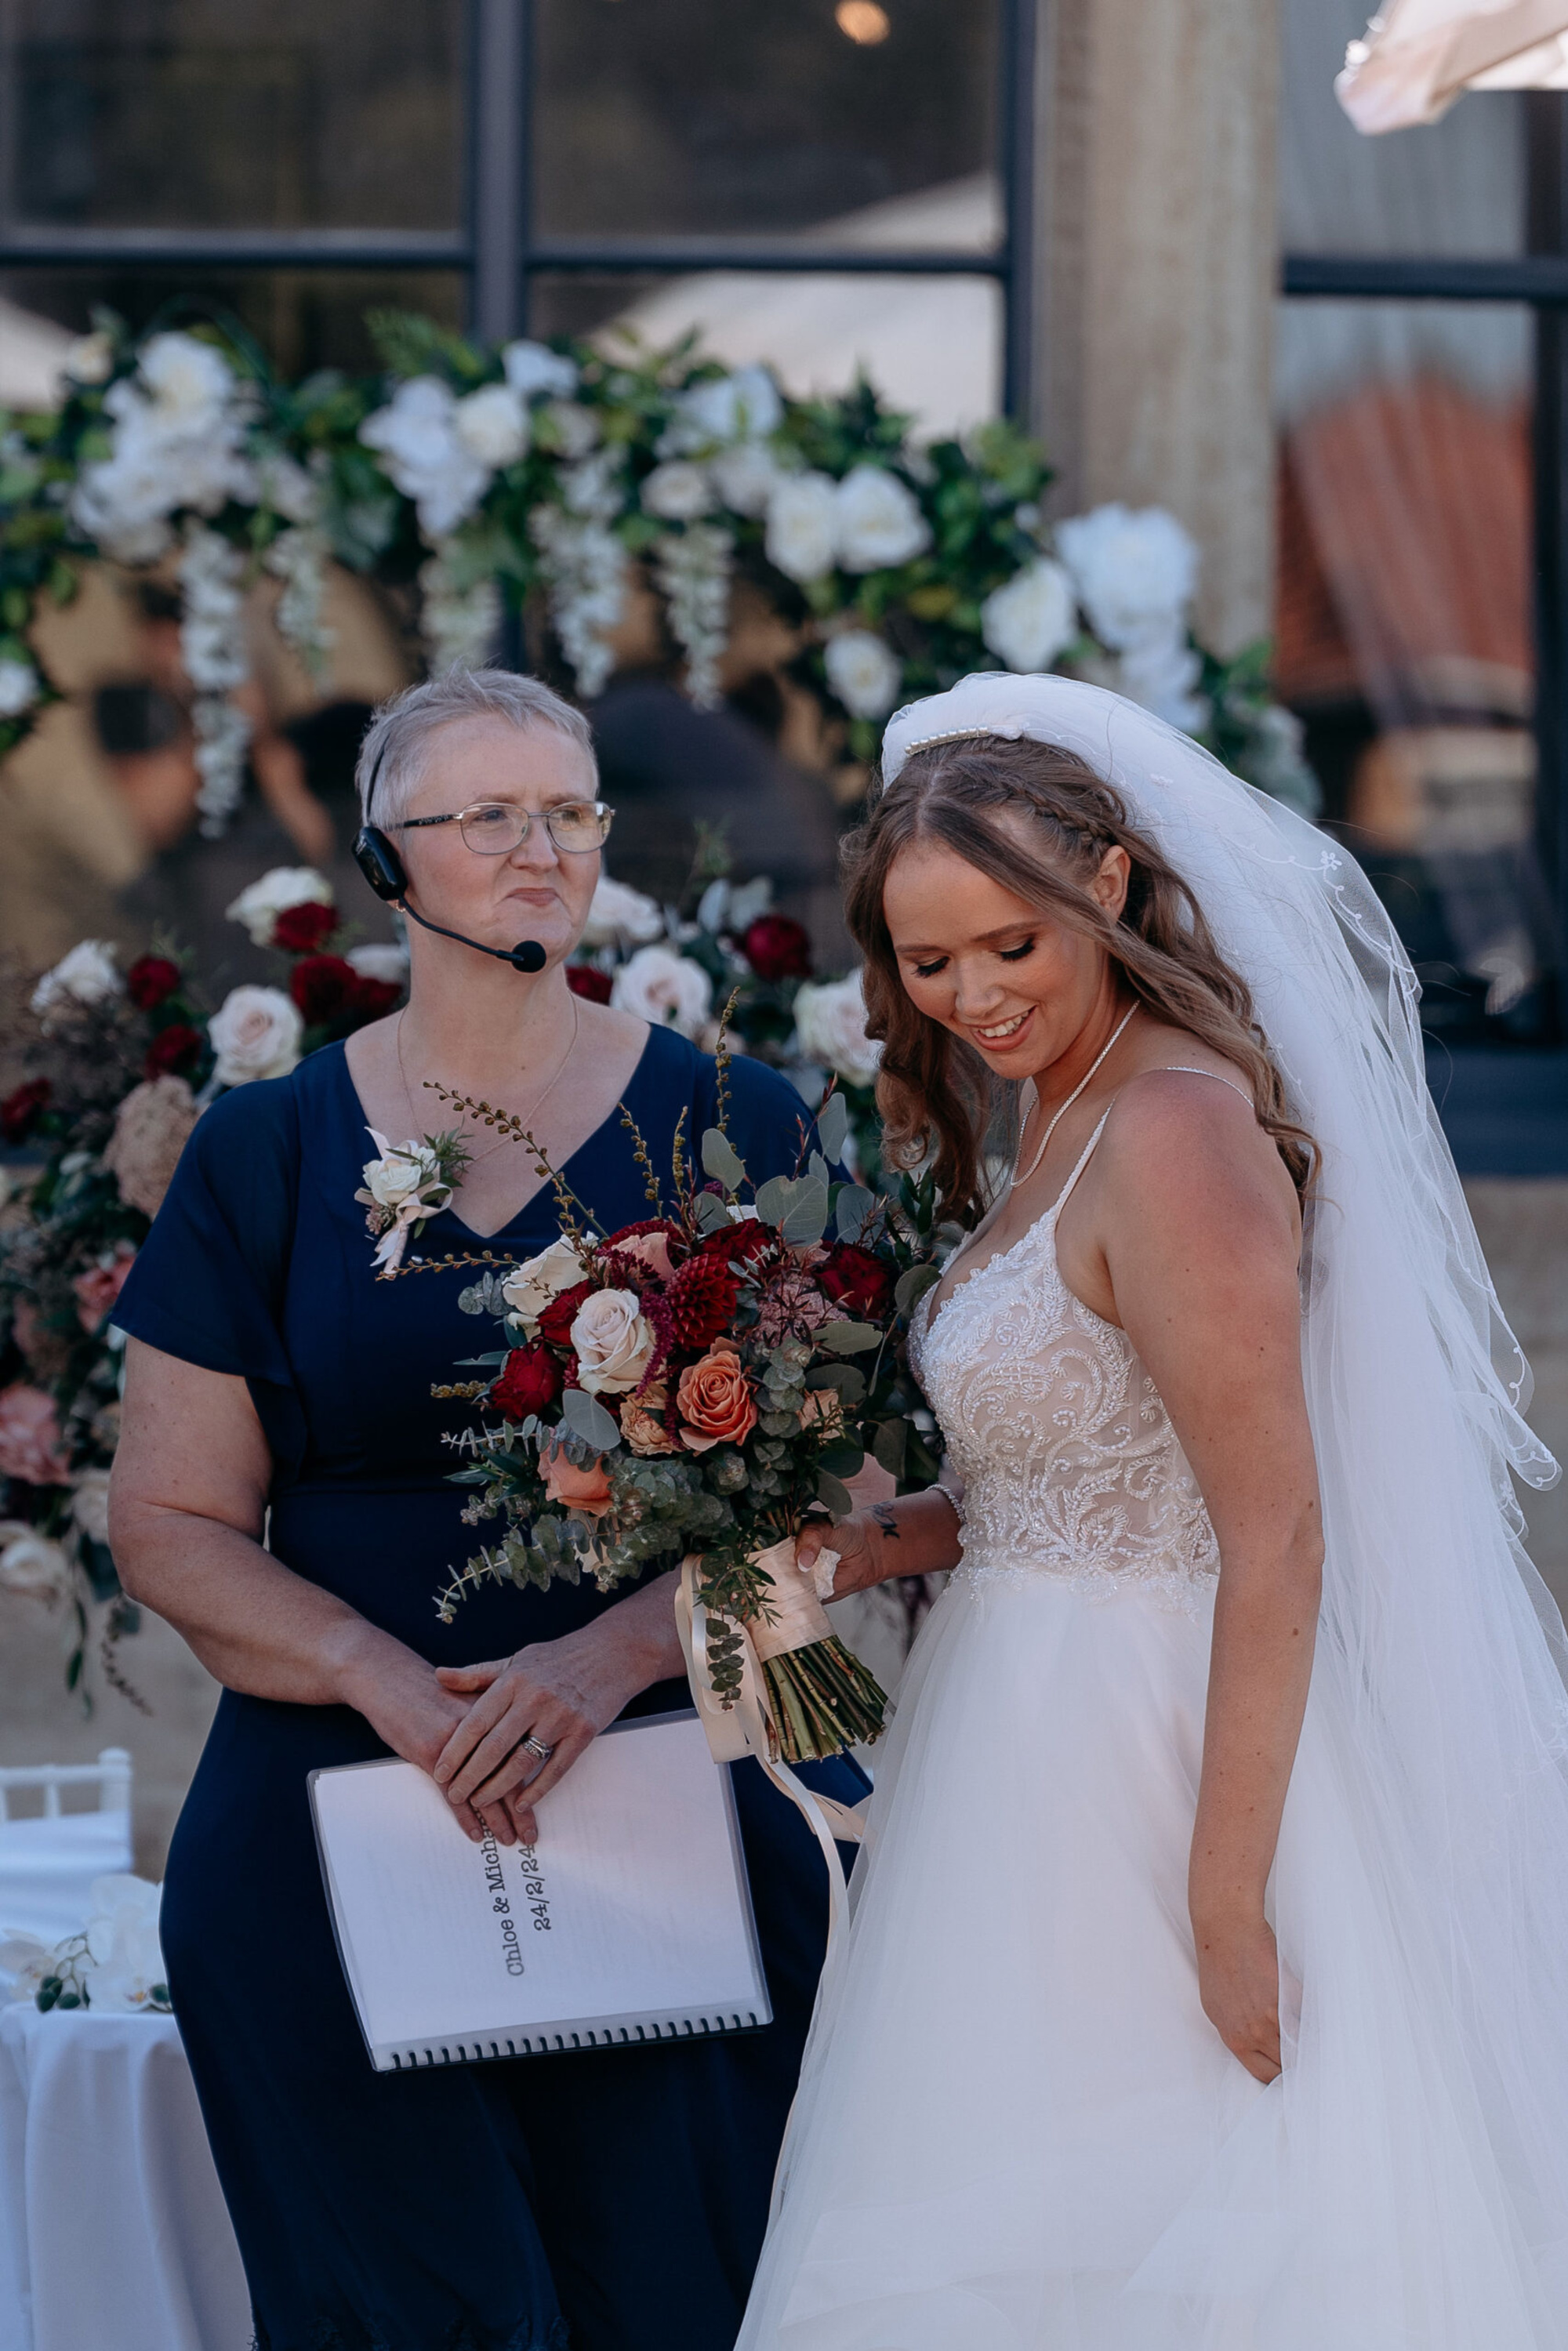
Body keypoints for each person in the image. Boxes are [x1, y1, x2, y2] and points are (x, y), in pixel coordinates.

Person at [737, 672, 1568, 2350]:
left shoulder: (1178, 1128)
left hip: (1168, 1756)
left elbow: (1275, 1532)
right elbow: (1064, 1470)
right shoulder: (1053, 1106)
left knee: (1176, 2233)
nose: (975, 995)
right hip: (1010, 1741)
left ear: (1106, 886)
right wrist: (855, 1539)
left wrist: (1220, 1901)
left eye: (1010, 947)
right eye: (929, 962)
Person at [107, 666, 866, 2351]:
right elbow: (165, 1520)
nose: (541, 850)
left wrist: (603, 1662)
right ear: (386, 860)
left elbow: (848, 1487)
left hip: (683, 1796)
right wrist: (384, 1686)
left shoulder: (735, 1122)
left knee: (685, 2300)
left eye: (569, 811)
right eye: (486, 817)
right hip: (333, 1817)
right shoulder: (261, 1152)